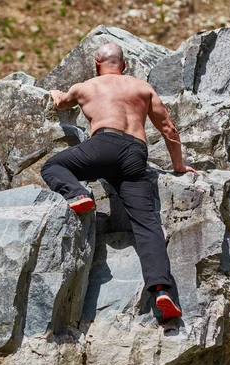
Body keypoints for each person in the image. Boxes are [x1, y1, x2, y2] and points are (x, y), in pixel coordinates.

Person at [41, 43, 197, 320]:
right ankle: (162, 290)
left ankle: (77, 194)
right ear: (124, 66)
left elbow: (61, 103)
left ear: (96, 64)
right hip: (135, 155)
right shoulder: (142, 87)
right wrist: (178, 166)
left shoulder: (85, 87)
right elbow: (169, 129)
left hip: (103, 146)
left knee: (53, 166)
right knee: (148, 225)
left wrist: (55, 94)